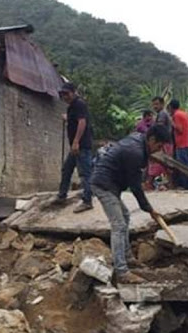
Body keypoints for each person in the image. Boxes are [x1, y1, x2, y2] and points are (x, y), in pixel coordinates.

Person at [91, 125, 168, 284]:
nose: (157, 151)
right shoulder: (135, 152)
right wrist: (149, 209)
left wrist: (148, 208)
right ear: (152, 139)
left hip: (110, 184)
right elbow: (135, 187)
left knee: (125, 215)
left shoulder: (138, 141)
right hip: (103, 184)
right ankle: (122, 272)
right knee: (118, 224)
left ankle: (127, 257)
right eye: (159, 146)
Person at [53, 83, 94, 213]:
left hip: (81, 146)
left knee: (85, 173)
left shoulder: (79, 104)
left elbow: (82, 122)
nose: (65, 97)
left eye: (67, 94)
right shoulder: (72, 106)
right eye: (63, 94)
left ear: (74, 92)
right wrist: (68, 118)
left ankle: (87, 201)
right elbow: (76, 120)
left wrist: (76, 142)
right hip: (75, 147)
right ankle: (62, 195)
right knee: (67, 169)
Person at [168, 99, 188, 189]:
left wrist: (172, 123)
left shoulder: (176, 115)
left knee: (182, 166)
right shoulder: (185, 114)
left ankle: (186, 185)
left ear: (171, 107)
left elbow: (179, 129)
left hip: (181, 144)